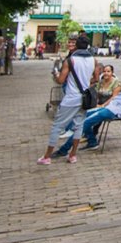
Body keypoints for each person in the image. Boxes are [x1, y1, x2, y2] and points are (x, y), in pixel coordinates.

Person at [38, 35, 98, 165]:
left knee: (57, 126)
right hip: (84, 99)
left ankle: (47, 156)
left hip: (71, 98)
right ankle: (73, 154)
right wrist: (86, 83)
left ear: (76, 45)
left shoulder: (70, 61)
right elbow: (96, 78)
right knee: (79, 126)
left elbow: (60, 80)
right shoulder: (93, 60)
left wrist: (56, 74)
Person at [53, 79, 121, 157]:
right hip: (110, 107)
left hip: (116, 111)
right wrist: (103, 105)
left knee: (84, 123)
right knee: (81, 116)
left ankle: (64, 149)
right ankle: (91, 141)